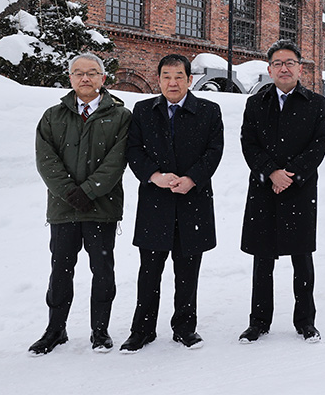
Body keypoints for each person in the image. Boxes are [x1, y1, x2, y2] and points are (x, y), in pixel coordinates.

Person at [120, 54, 224, 352]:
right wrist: (154, 176)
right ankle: (142, 330)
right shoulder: (142, 110)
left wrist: (192, 178)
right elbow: (133, 150)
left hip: (193, 202)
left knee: (187, 271)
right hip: (156, 203)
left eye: (179, 76)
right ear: (159, 79)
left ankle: (185, 328)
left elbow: (214, 151)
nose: (172, 82)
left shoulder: (208, 111)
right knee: (149, 272)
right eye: (166, 76)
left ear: (190, 80)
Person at [30, 52, 131, 355]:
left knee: (102, 270)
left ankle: (100, 331)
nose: (84, 78)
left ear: (103, 78)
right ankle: (55, 329)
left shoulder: (120, 117)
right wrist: (69, 193)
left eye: (91, 72)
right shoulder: (53, 116)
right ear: (70, 78)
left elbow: (117, 160)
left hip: (102, 208)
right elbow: (45, 160)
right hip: (64, 210)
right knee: (60, 270)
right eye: (78, 73)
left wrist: (89, 191)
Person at [239, 39, 325, 344]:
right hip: (264, 189)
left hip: (299, 190)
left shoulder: (316, 103)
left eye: (290, 62)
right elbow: (248, 144)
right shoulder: (255, 103)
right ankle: (259, 322)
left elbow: (318, 146)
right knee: (262, 259)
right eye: (277, 63)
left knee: (301, 258)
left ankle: (305, 321)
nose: (284, 68)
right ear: (269, 69)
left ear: (300, 67)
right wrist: (271, 172)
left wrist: (291, 174)